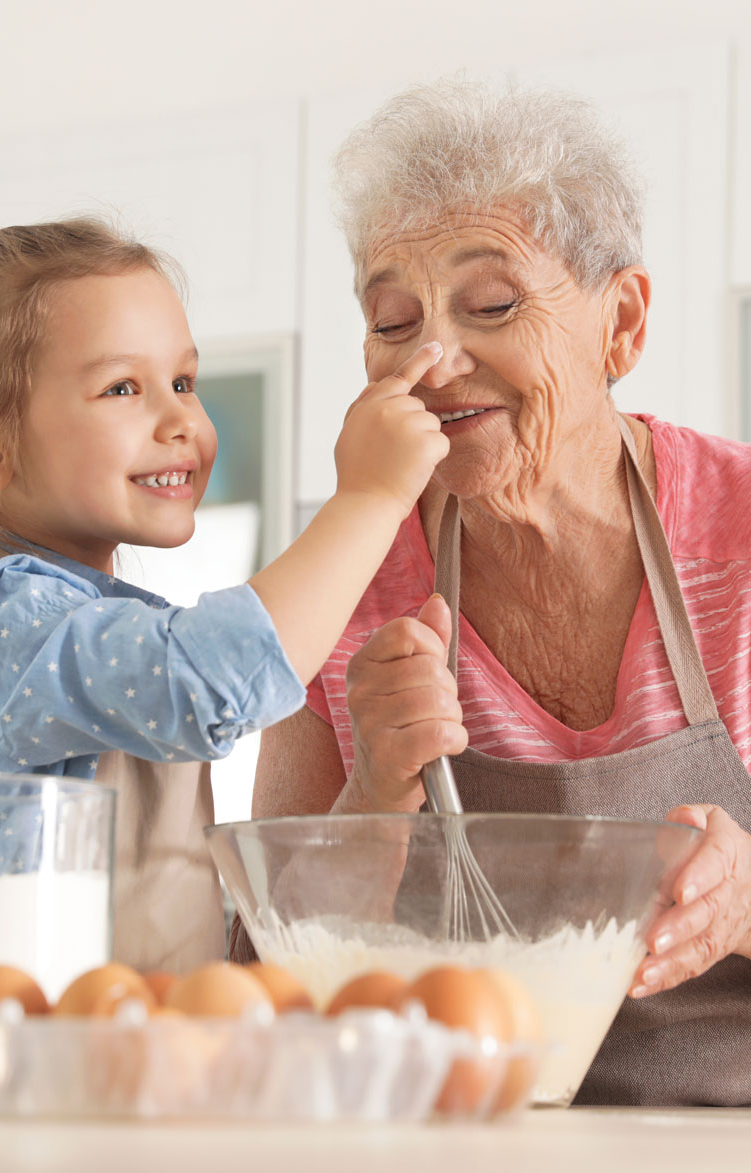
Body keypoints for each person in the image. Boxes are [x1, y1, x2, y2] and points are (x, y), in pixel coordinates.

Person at [239, 79, 751, 1106]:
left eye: (490, 305)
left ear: (620, 323)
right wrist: (374, 794)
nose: (432, 362)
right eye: (392, 321)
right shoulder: (343, 586)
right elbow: (267, 984)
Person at [0, 216, 448, 972]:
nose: (181, 420)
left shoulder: (107, 628)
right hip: (21, 1069)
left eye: (182, 382)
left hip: (122, 1061)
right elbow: (214, 682)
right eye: (122, 388)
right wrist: (368, 497)